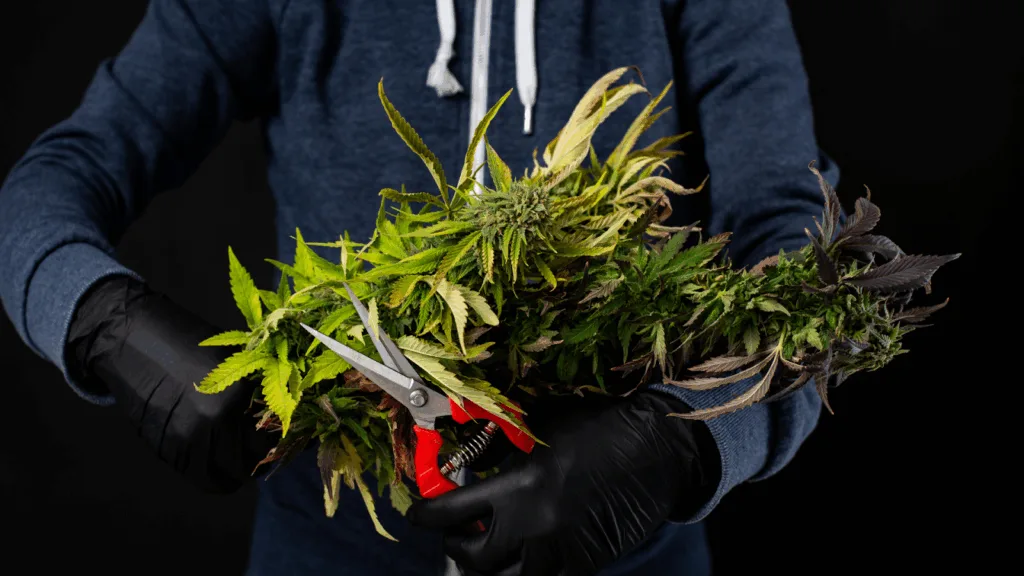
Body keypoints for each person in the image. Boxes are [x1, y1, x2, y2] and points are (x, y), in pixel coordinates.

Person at [0, 0, 839, 574]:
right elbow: (51, 182)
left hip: (617, 549)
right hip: (325, 554)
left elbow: (801, 251)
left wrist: (687, 444)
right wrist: (101, 318)